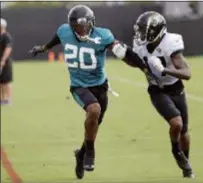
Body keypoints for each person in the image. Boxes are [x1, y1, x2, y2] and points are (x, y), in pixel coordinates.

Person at [28, 5, 147, 180]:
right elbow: (56, 40)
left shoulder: (103, 35)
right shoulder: (64, 31)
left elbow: (122, 51)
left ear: (92, 24)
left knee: (95, 123)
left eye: (84, 26)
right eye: (76, 27)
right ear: (71, 26)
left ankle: (81, 154)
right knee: (94, 110)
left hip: (100, 86)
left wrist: (144, 68)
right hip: (79, 86)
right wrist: (42, 48)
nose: (81, 31)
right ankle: (90, 151)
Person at [132, 11, 194, 178]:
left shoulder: (170, 43)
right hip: (157, 89)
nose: (141, 34)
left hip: (175, 88)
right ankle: (175, 149)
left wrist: (164, 69)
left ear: (156, 31)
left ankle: (185, 164)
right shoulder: (140, 45)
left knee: (184, 131)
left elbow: (187, 73)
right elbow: (136, 61)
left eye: (145, 30)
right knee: (176, 123)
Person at [0, 18, 13, 106]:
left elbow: (8, 49)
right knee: (1, 82)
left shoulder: (6, 36)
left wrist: (3, 60)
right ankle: (2, 99)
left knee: (6, 81)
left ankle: (8, 99)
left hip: (5, 62)